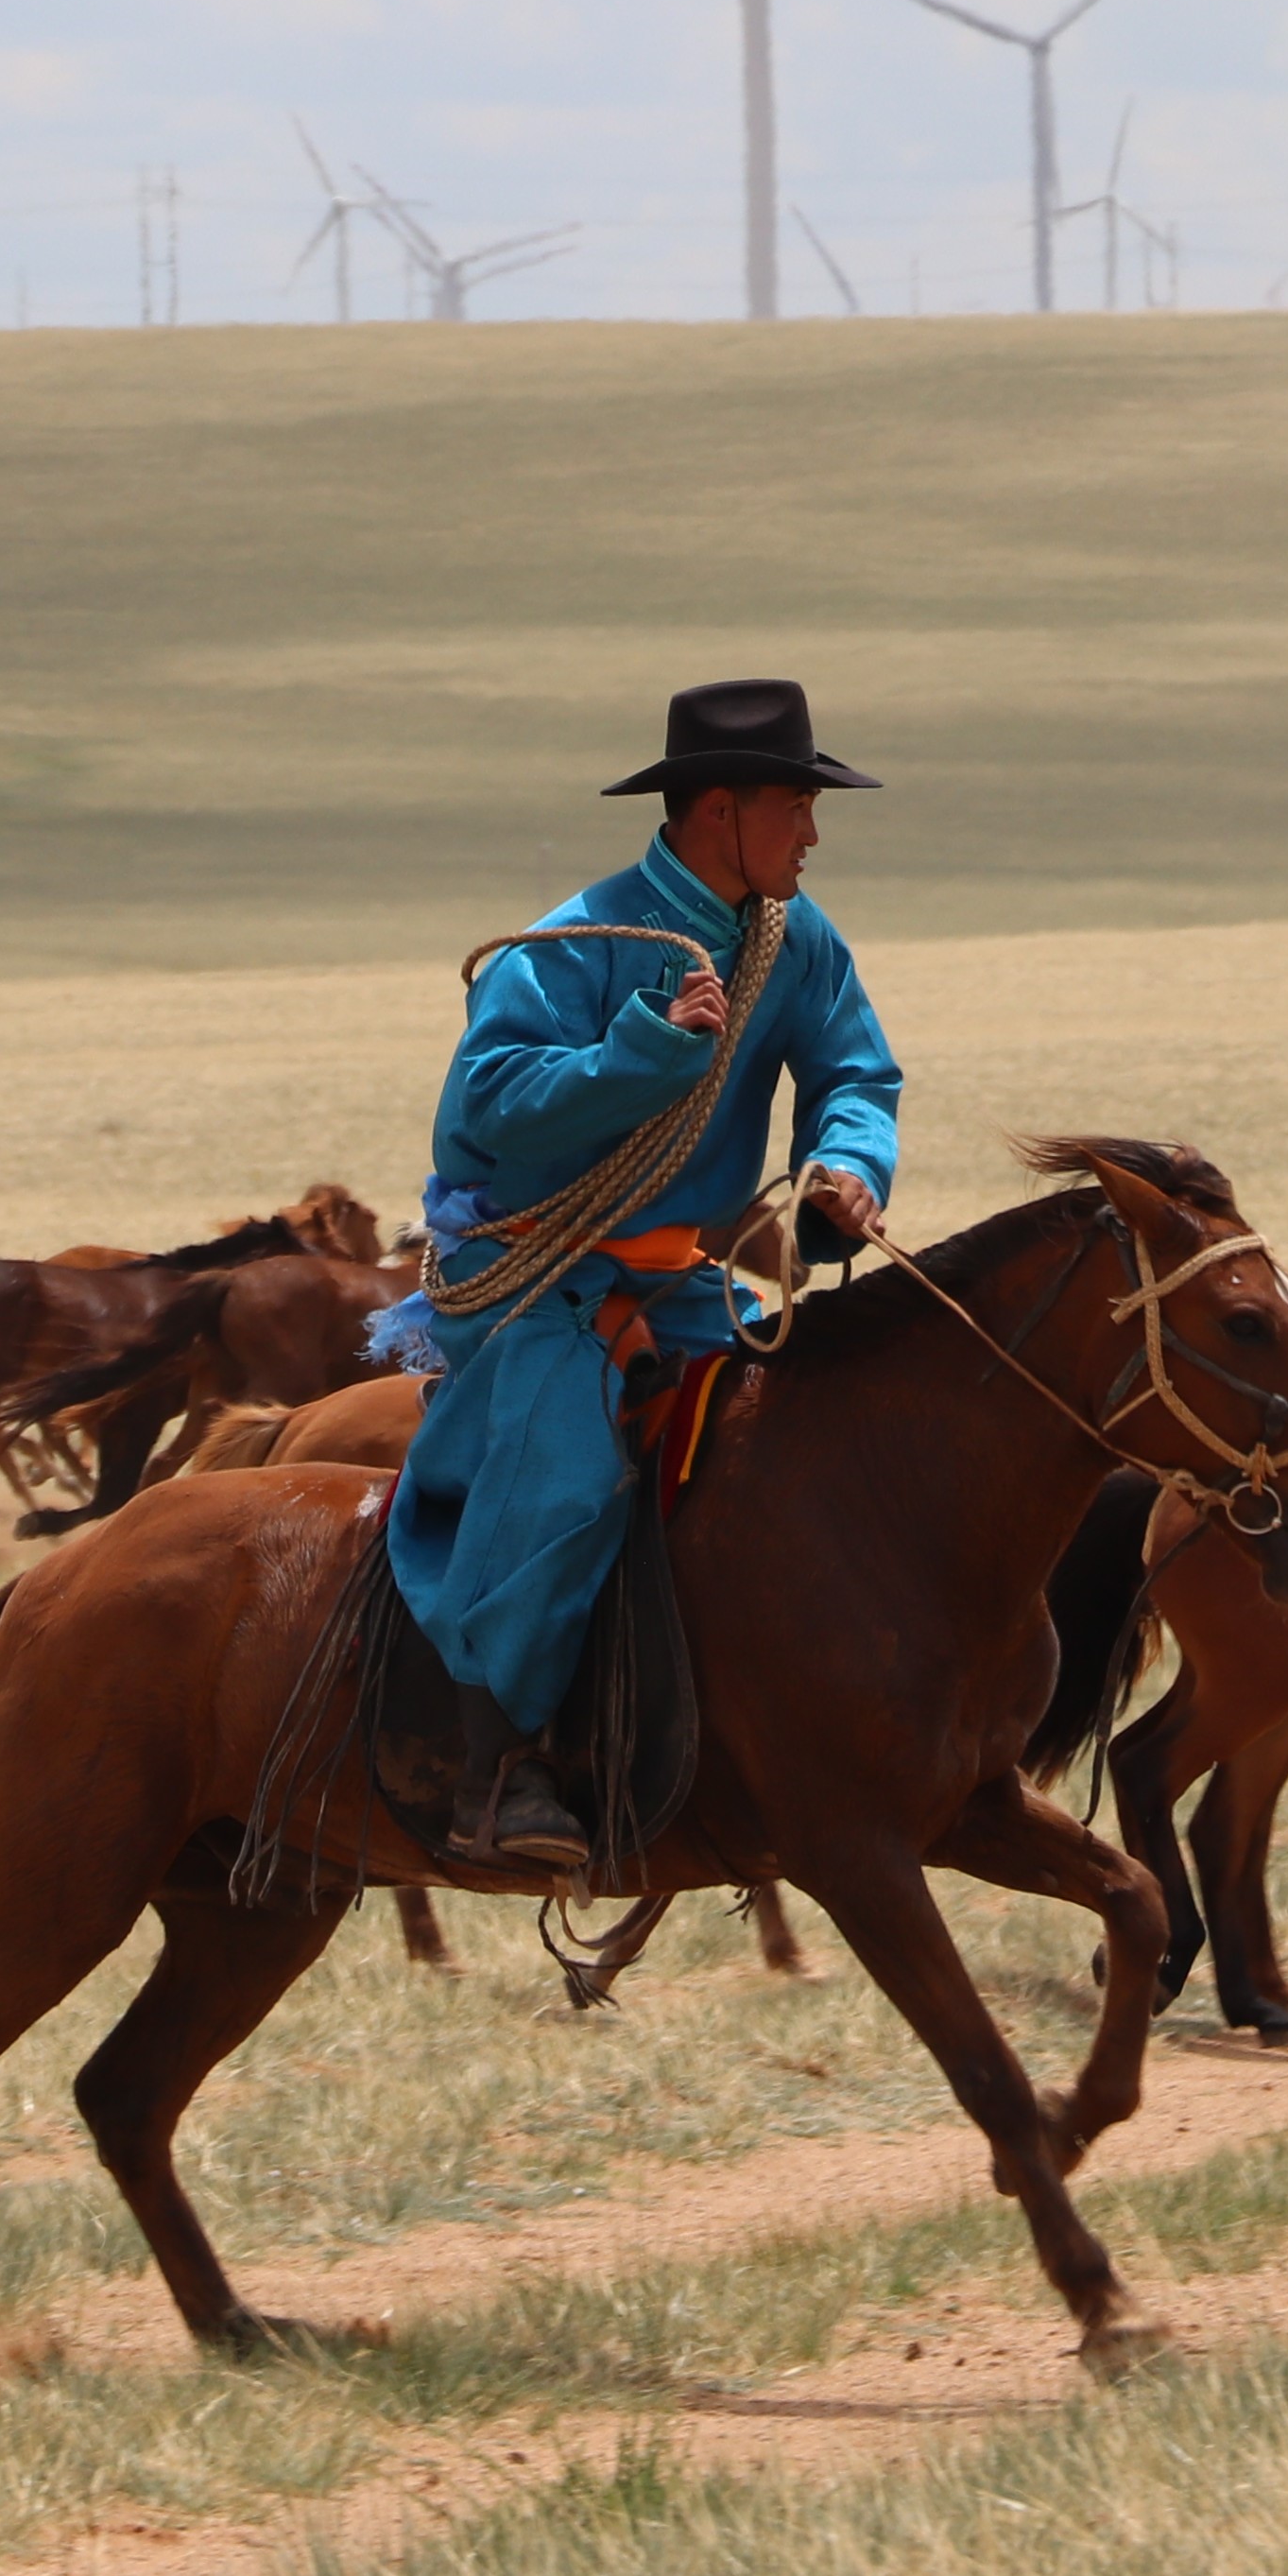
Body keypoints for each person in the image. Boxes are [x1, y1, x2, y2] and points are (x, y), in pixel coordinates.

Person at [376, 681, 904, 1873]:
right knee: (560, 1477)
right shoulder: (579, 942)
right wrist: (645, 1053)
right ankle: (499, 1763)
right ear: (718, 810)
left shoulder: (796, 942)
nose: (814, 834)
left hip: (684, 1281)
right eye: (797, 808)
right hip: (532, 1269)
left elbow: (856, 1076)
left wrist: (843, 1170)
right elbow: (484, 1111)